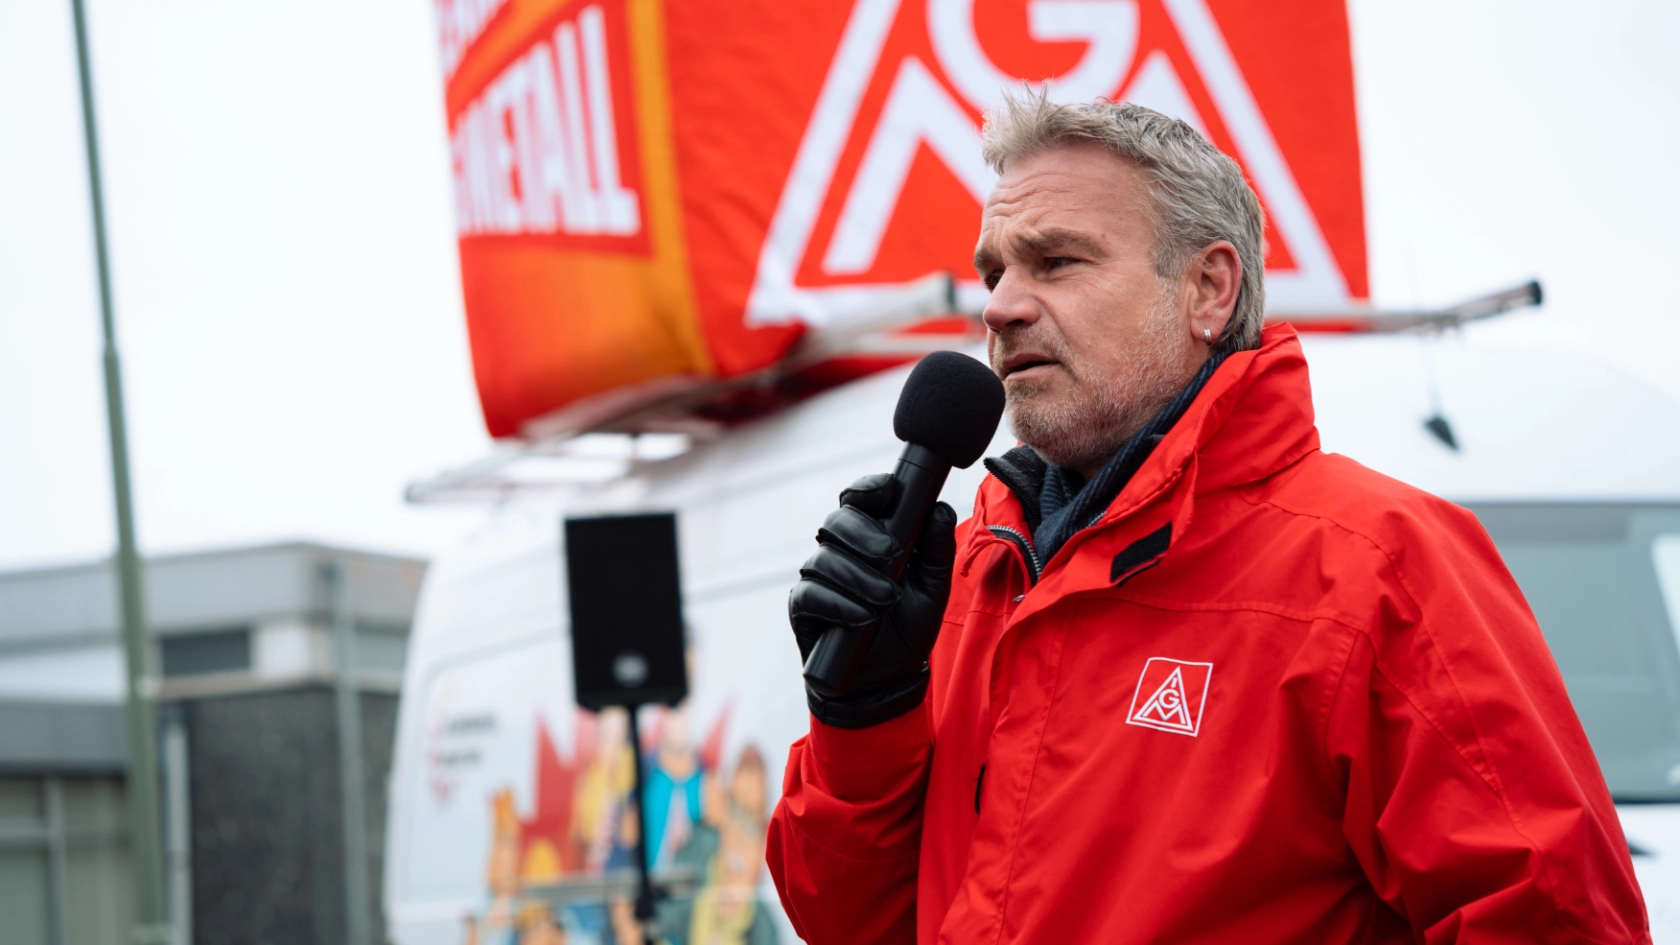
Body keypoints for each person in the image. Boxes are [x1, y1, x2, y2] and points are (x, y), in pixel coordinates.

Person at [767, 92, 1649, 944]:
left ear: (1208, 289)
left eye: (1057, 261)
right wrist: (862, 718)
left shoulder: (1378, 565)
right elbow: (852, 924)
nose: (999, 305)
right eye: (994, 271)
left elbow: (1558, 921)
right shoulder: (965, 574)